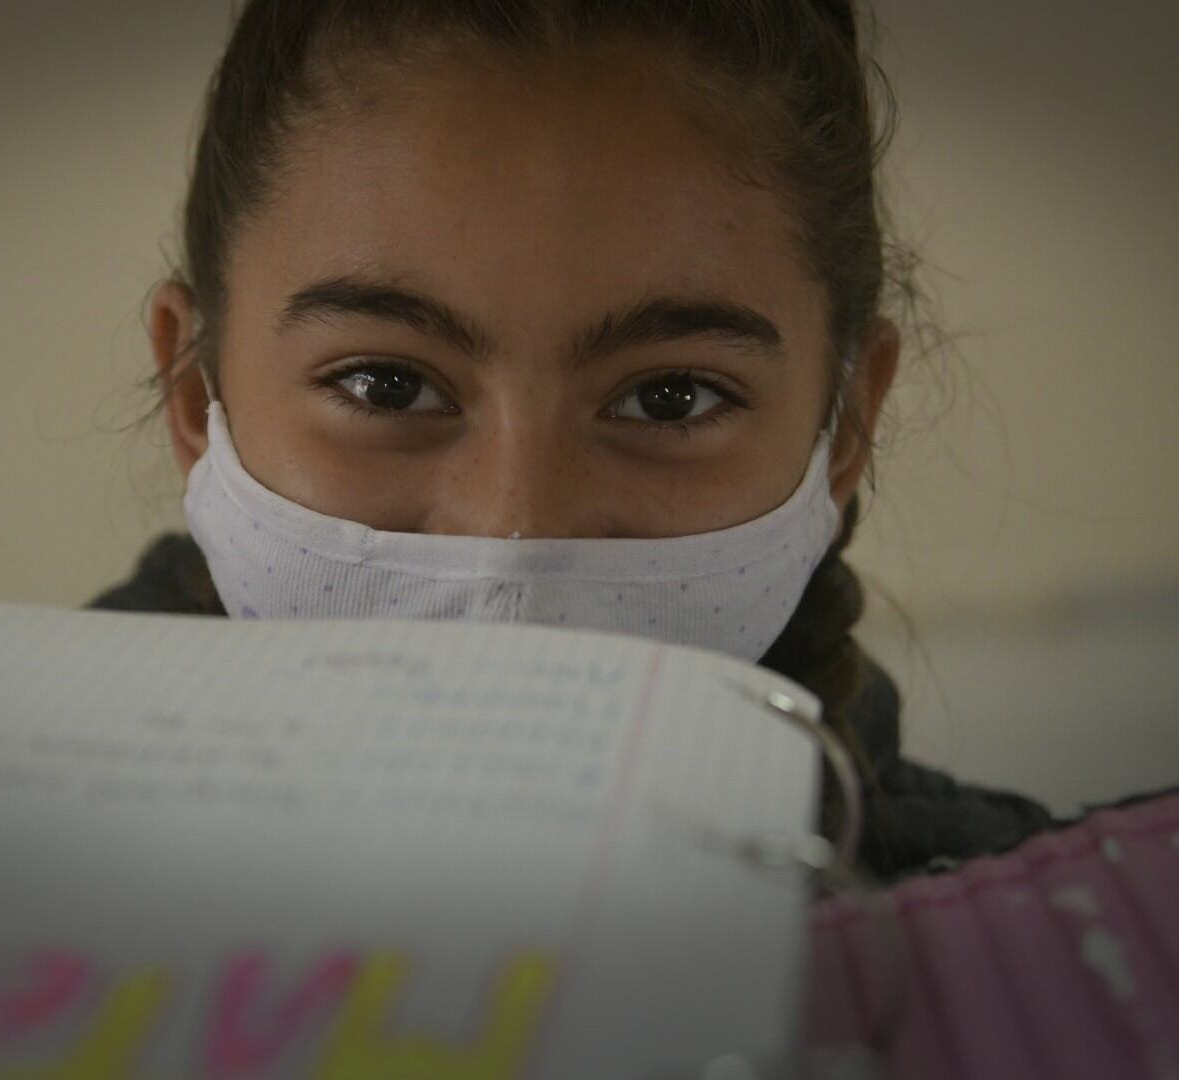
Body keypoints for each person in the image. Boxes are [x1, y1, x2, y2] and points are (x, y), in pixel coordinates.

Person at [89, 0, 1057, 882]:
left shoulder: (1054, 955)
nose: (516, 534)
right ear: (192, 389)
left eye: (671, 399)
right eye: (387, 385)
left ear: (844, 425)